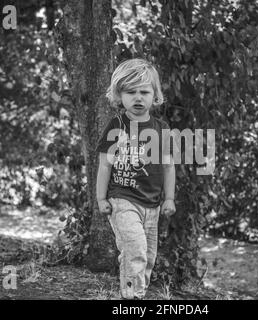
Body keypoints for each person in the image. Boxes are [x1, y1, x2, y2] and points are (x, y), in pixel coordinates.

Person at [95, 58, 176, 299]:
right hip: (122, 199)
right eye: (131, 92)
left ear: (155, 95)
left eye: (144, 92)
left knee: (148, 256)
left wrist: (169, 199)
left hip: (152, 205)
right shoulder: (117, 125)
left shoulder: (161, 128)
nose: (138, 98)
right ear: (120, 95)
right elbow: (104, 164)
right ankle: (131, 300)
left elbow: (169, 166)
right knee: (135, 249)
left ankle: (136, 294)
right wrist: (101, 198)